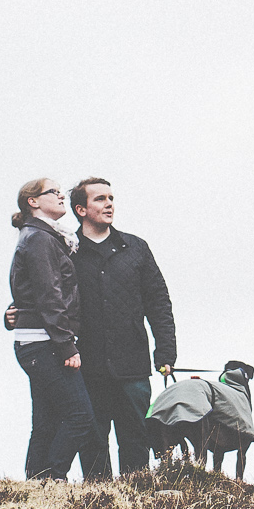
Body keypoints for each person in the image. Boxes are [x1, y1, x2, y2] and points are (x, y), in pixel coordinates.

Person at [66, 177, 177, 477]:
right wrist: (15, 314)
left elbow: (158, 302)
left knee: (136, 441)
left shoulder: (136, 248)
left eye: (111, 198)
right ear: (81, 209)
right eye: (100, 199)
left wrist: (166, 350)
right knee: (92, 443)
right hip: (87, 368)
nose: (109, 204)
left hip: (133, 367)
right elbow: (45, 296)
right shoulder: (67, 252)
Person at [7, 177, 101, 480]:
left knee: (46, 420)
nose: (61, 196)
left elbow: (30, 290)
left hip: (36, 340)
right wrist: (66, 345)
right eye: (53, 192)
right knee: (80, 417)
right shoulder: (39, 238)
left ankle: (35, 483)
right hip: (45, 343)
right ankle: (53, 477)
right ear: (33, 202)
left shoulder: (43, 236)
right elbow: (49, 294)